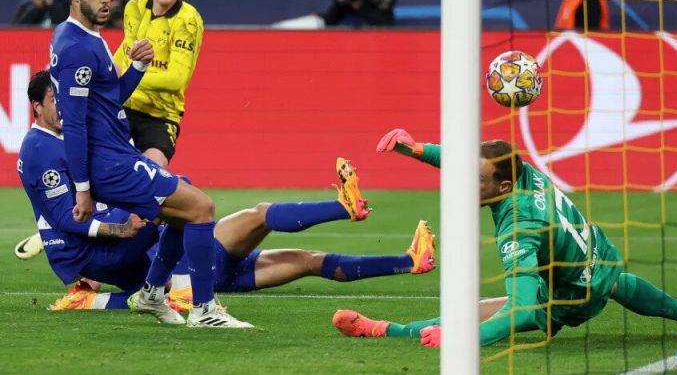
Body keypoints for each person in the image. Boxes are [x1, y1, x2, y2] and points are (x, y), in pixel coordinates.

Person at [19, 70, 436, 313]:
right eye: (55, 98)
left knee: (311, 261)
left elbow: (115, 275)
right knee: (258, 213)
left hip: (191, 273)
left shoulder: (72, 153)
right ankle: (344, 206)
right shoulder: (44, 150)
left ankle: (408, 261)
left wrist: (92, 301)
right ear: (36, 105)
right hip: (190, 260)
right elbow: (83, 217)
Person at [331, 128, 677, 347]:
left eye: (477, 182)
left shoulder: (518, 228)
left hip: (568, 297)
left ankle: (383, 329)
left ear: (504, 186)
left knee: (465, 316)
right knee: (619, 283)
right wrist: (417, 149)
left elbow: (524, 310)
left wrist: (461, 343)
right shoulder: (526, 173)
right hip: (600, 260)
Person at [49, 0, 246, 327]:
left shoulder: (82, 37)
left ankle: (152, 292)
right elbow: (73, 125)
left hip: (125, 144)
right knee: (202, 208)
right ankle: (202, 310)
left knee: (182, 203)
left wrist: (137, 68)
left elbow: (111, 97)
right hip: (110, 162)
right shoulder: (79, 47)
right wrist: (82, 189)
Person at [113, 0, 202, 168]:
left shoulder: (188, 20)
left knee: (149, 175)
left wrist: (129, 77)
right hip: (123, 107)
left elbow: (176, 80)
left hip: (160, 116)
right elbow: (124, 54)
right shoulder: (134, 7)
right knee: (98, 169)